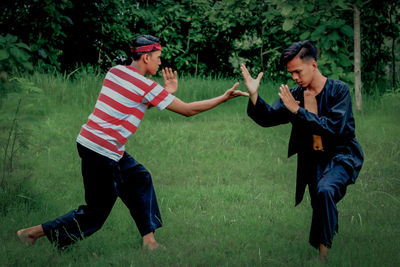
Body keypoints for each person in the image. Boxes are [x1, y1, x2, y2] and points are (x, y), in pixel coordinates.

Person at [17, 34, 248, 251]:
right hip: (102, 150)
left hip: (98, 145)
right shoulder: (146, 86)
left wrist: (165, 92)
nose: (160, 63)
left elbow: (134, 101)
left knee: (139, 178)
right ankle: (32, 233)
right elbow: (188, 110)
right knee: (95, 214)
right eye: (158, 58)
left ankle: (149, 241)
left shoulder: (115, 72)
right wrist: (223, 98)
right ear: (146, 57)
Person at [240, 40, 363, 262]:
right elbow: (268, 117)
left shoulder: (339, 90)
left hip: (342, 155)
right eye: (291, 73)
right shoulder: (295, 94)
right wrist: (253, 95)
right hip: (312, 159)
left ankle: (323, 258)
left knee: (326, 191)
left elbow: (335, 128)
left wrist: (298, 111)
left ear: (313, 65)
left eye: (298, 71)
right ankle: (326, 235)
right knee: (320, 201)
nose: (295, 78)